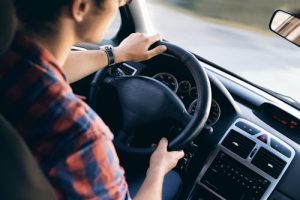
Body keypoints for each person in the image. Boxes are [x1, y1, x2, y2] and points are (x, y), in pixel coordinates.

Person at [0, 0, 184, 199]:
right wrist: (157, 168)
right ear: (81, 7)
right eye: (118, 0)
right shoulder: (80, 134)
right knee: (172, 179)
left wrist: (117, 54)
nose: (120, 5)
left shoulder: (10, 60)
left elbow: (44, 67)